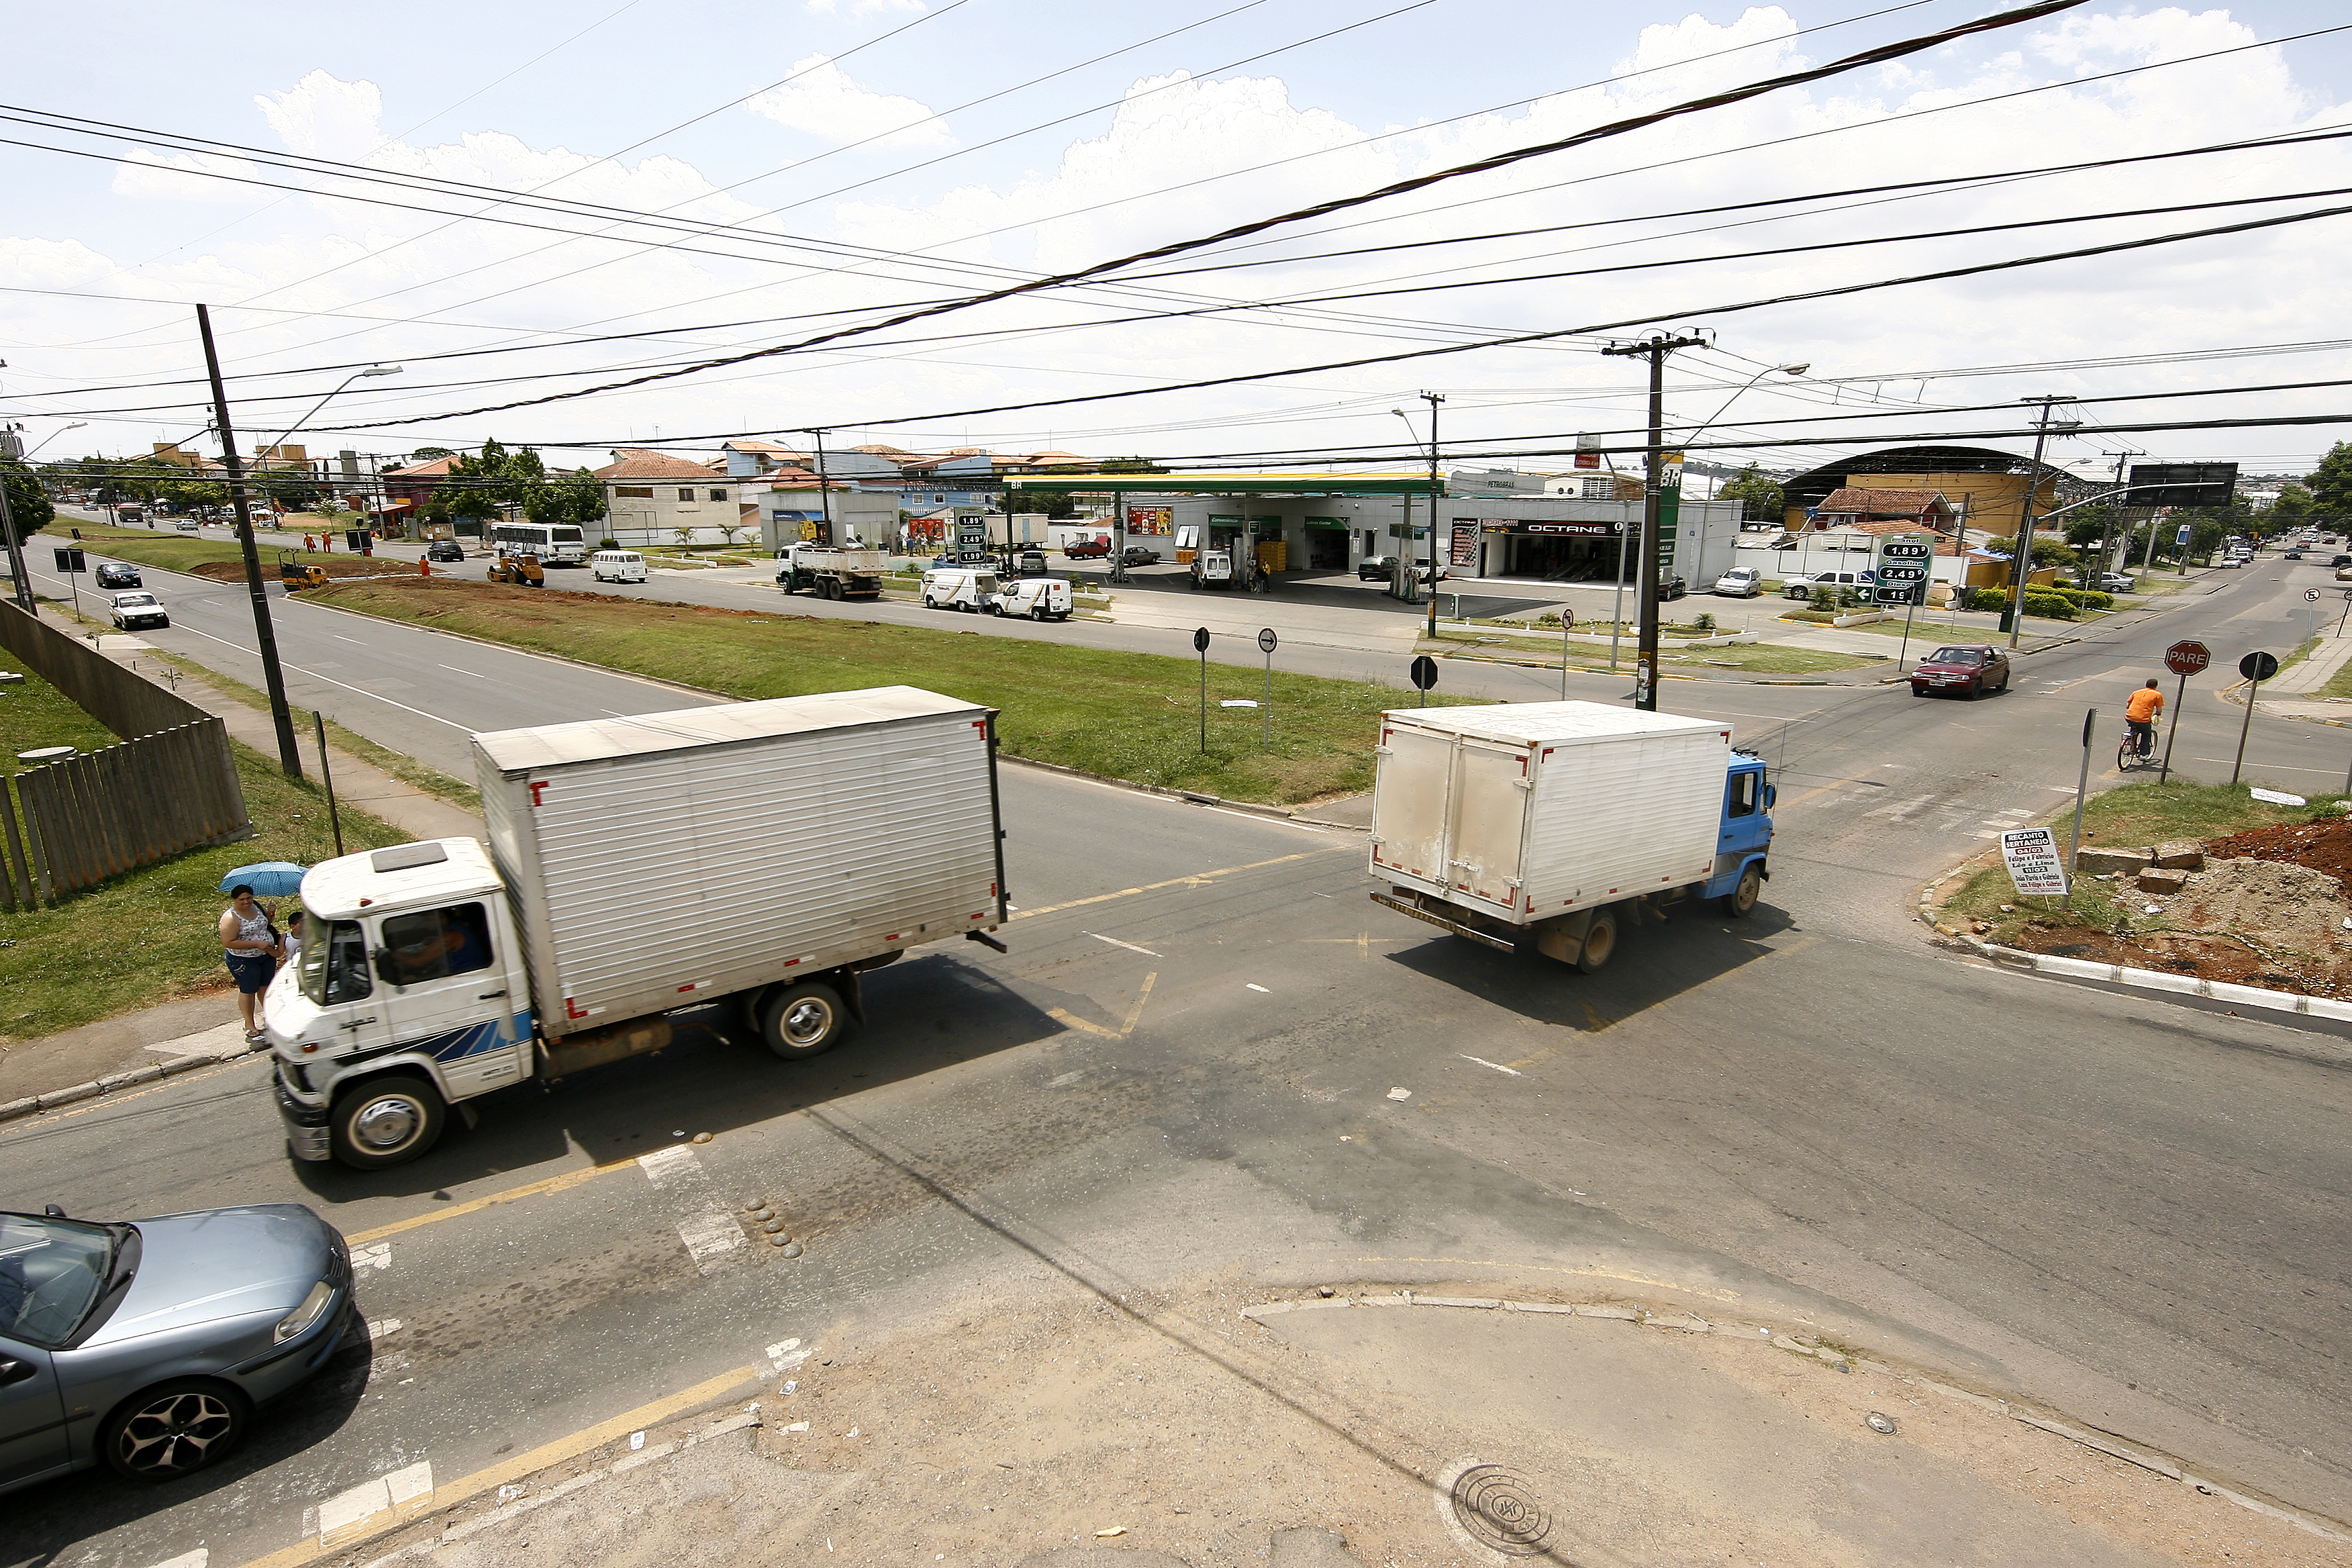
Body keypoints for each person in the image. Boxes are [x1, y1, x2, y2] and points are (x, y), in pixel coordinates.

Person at [219, 885, 285, 1041]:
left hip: (266, 955)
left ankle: (271, 1019)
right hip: (244, 960)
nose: (246, 902)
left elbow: (264, 925)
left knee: (266, 988)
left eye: (249, 898)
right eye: (242, 899)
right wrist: (256, 944)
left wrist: (270, 914)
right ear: (235, 900)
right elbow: (229, 942)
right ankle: (250, 1025)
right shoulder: (231, 918)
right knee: (249, 990)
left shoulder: (256, 907)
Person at [2125, 678, 2164, 758]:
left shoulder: (2136, 692)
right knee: (2146, 734)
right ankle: (2144, 753)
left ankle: (2132, 745)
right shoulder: (2157, 695)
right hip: (2143, 720)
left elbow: (2127, 705)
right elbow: (2159, 709)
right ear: (2156, 686)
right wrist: (2158, 714)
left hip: (2129, 717)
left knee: (2134, 729)